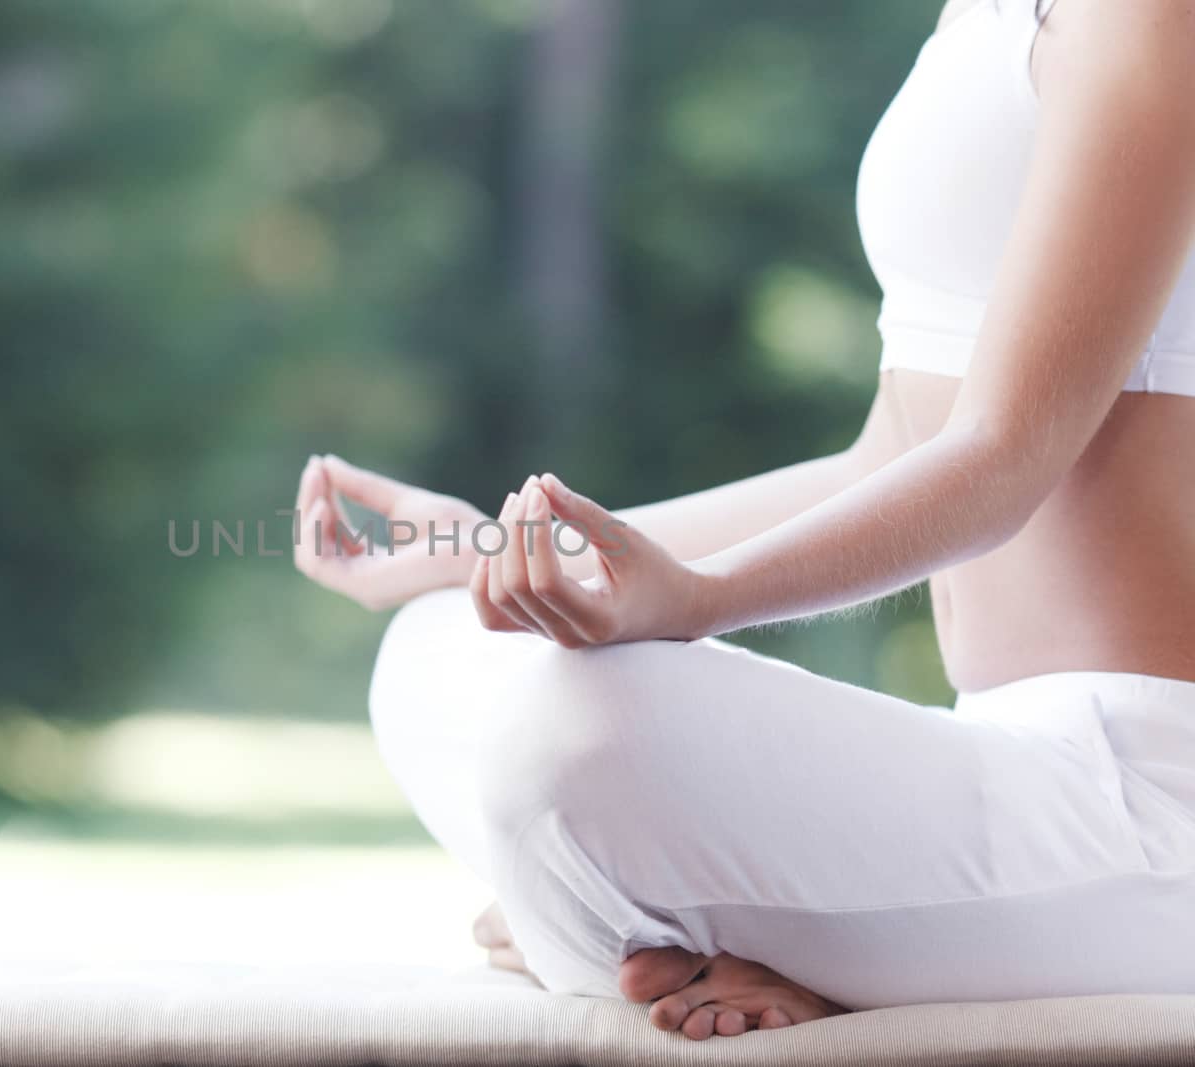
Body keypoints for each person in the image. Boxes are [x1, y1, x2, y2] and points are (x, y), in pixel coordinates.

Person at [294, 0, 1195, 1041]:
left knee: (574, 736)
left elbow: (1004, 455)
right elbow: (886, 460)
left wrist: (701, 598)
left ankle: (589, 934)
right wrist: (511, 554)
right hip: (1001, 749)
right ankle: (671, 940)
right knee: (441, 642)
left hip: (1149, 796)